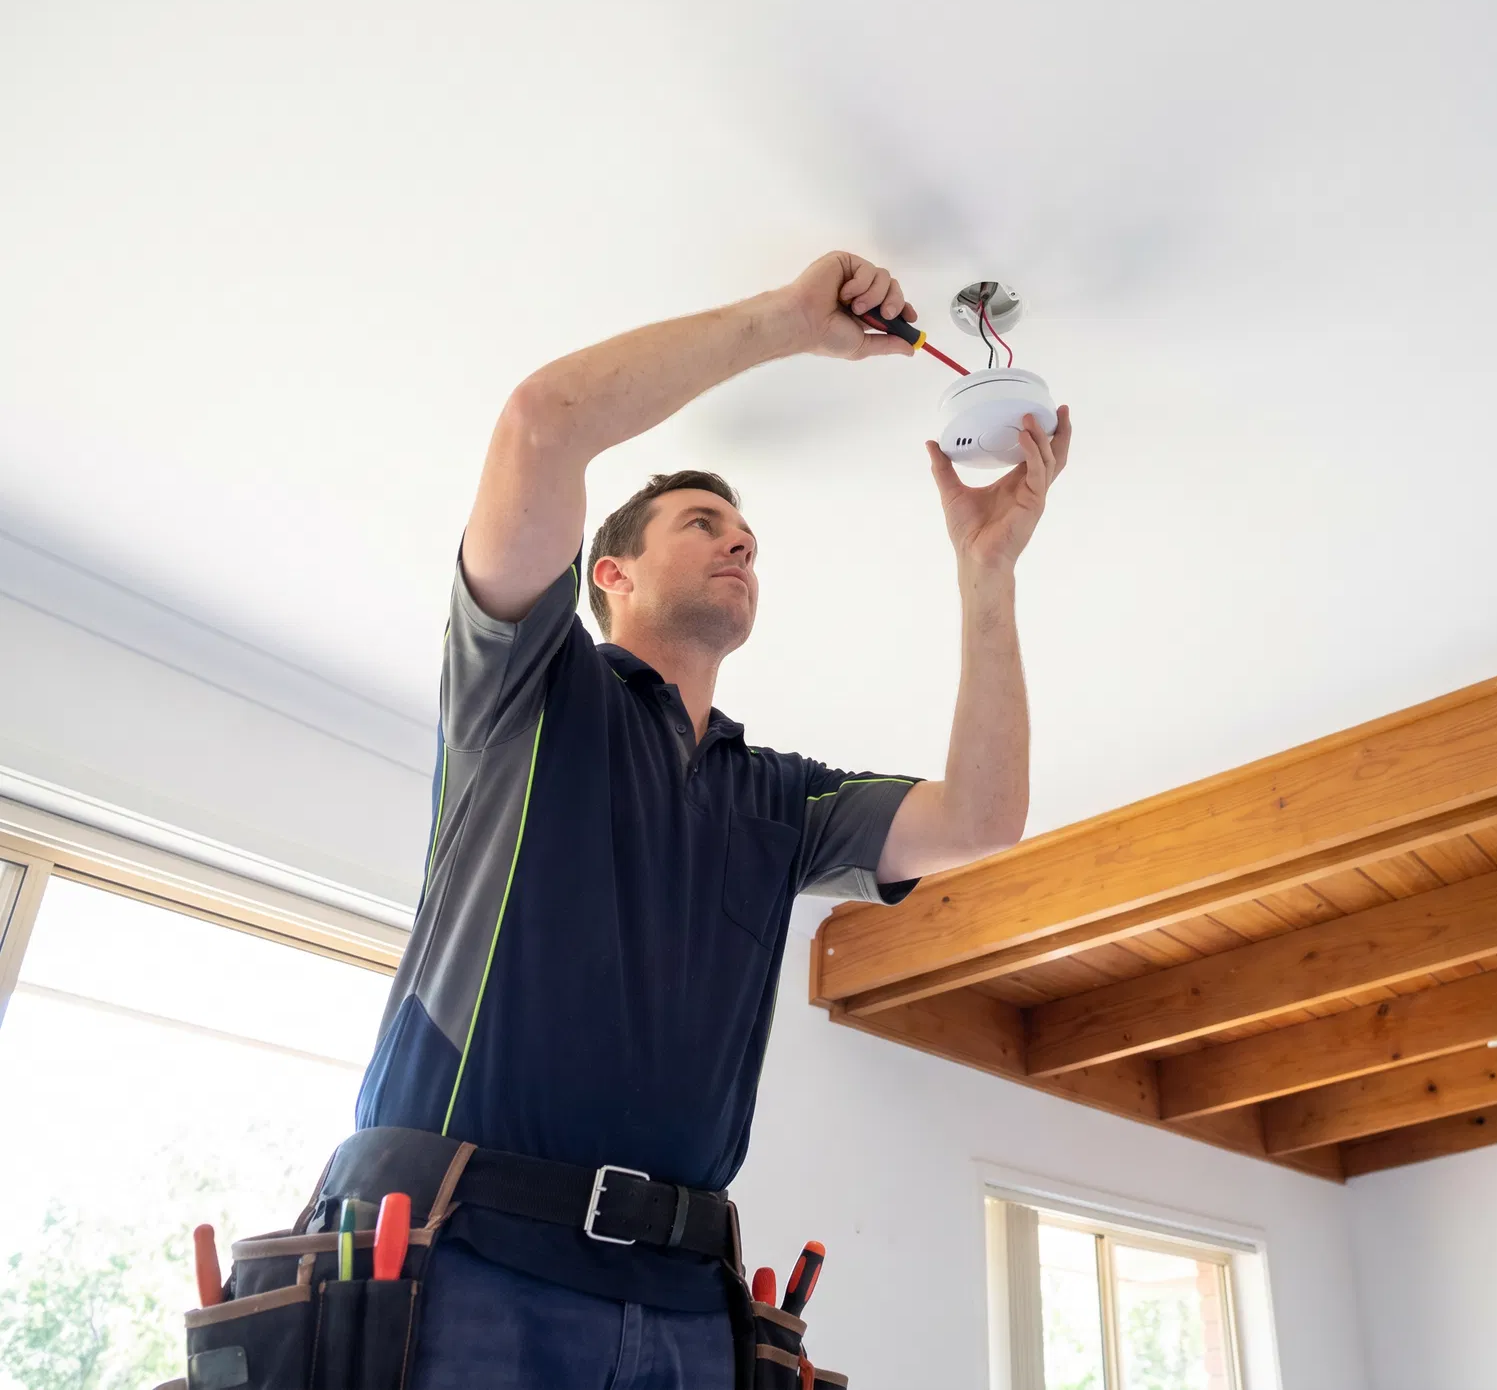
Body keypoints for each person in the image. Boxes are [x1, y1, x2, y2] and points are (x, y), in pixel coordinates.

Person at [348, 251, 1071, 1389]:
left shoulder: (781, 796)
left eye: (745, 535)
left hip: (686, 1300)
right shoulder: (527, 693)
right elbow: (542, 422)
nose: (740, 542)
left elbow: (983, 817)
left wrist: (989, 570)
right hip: (467, 1254)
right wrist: (788, 321)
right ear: (612, 573)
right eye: (702, 522)